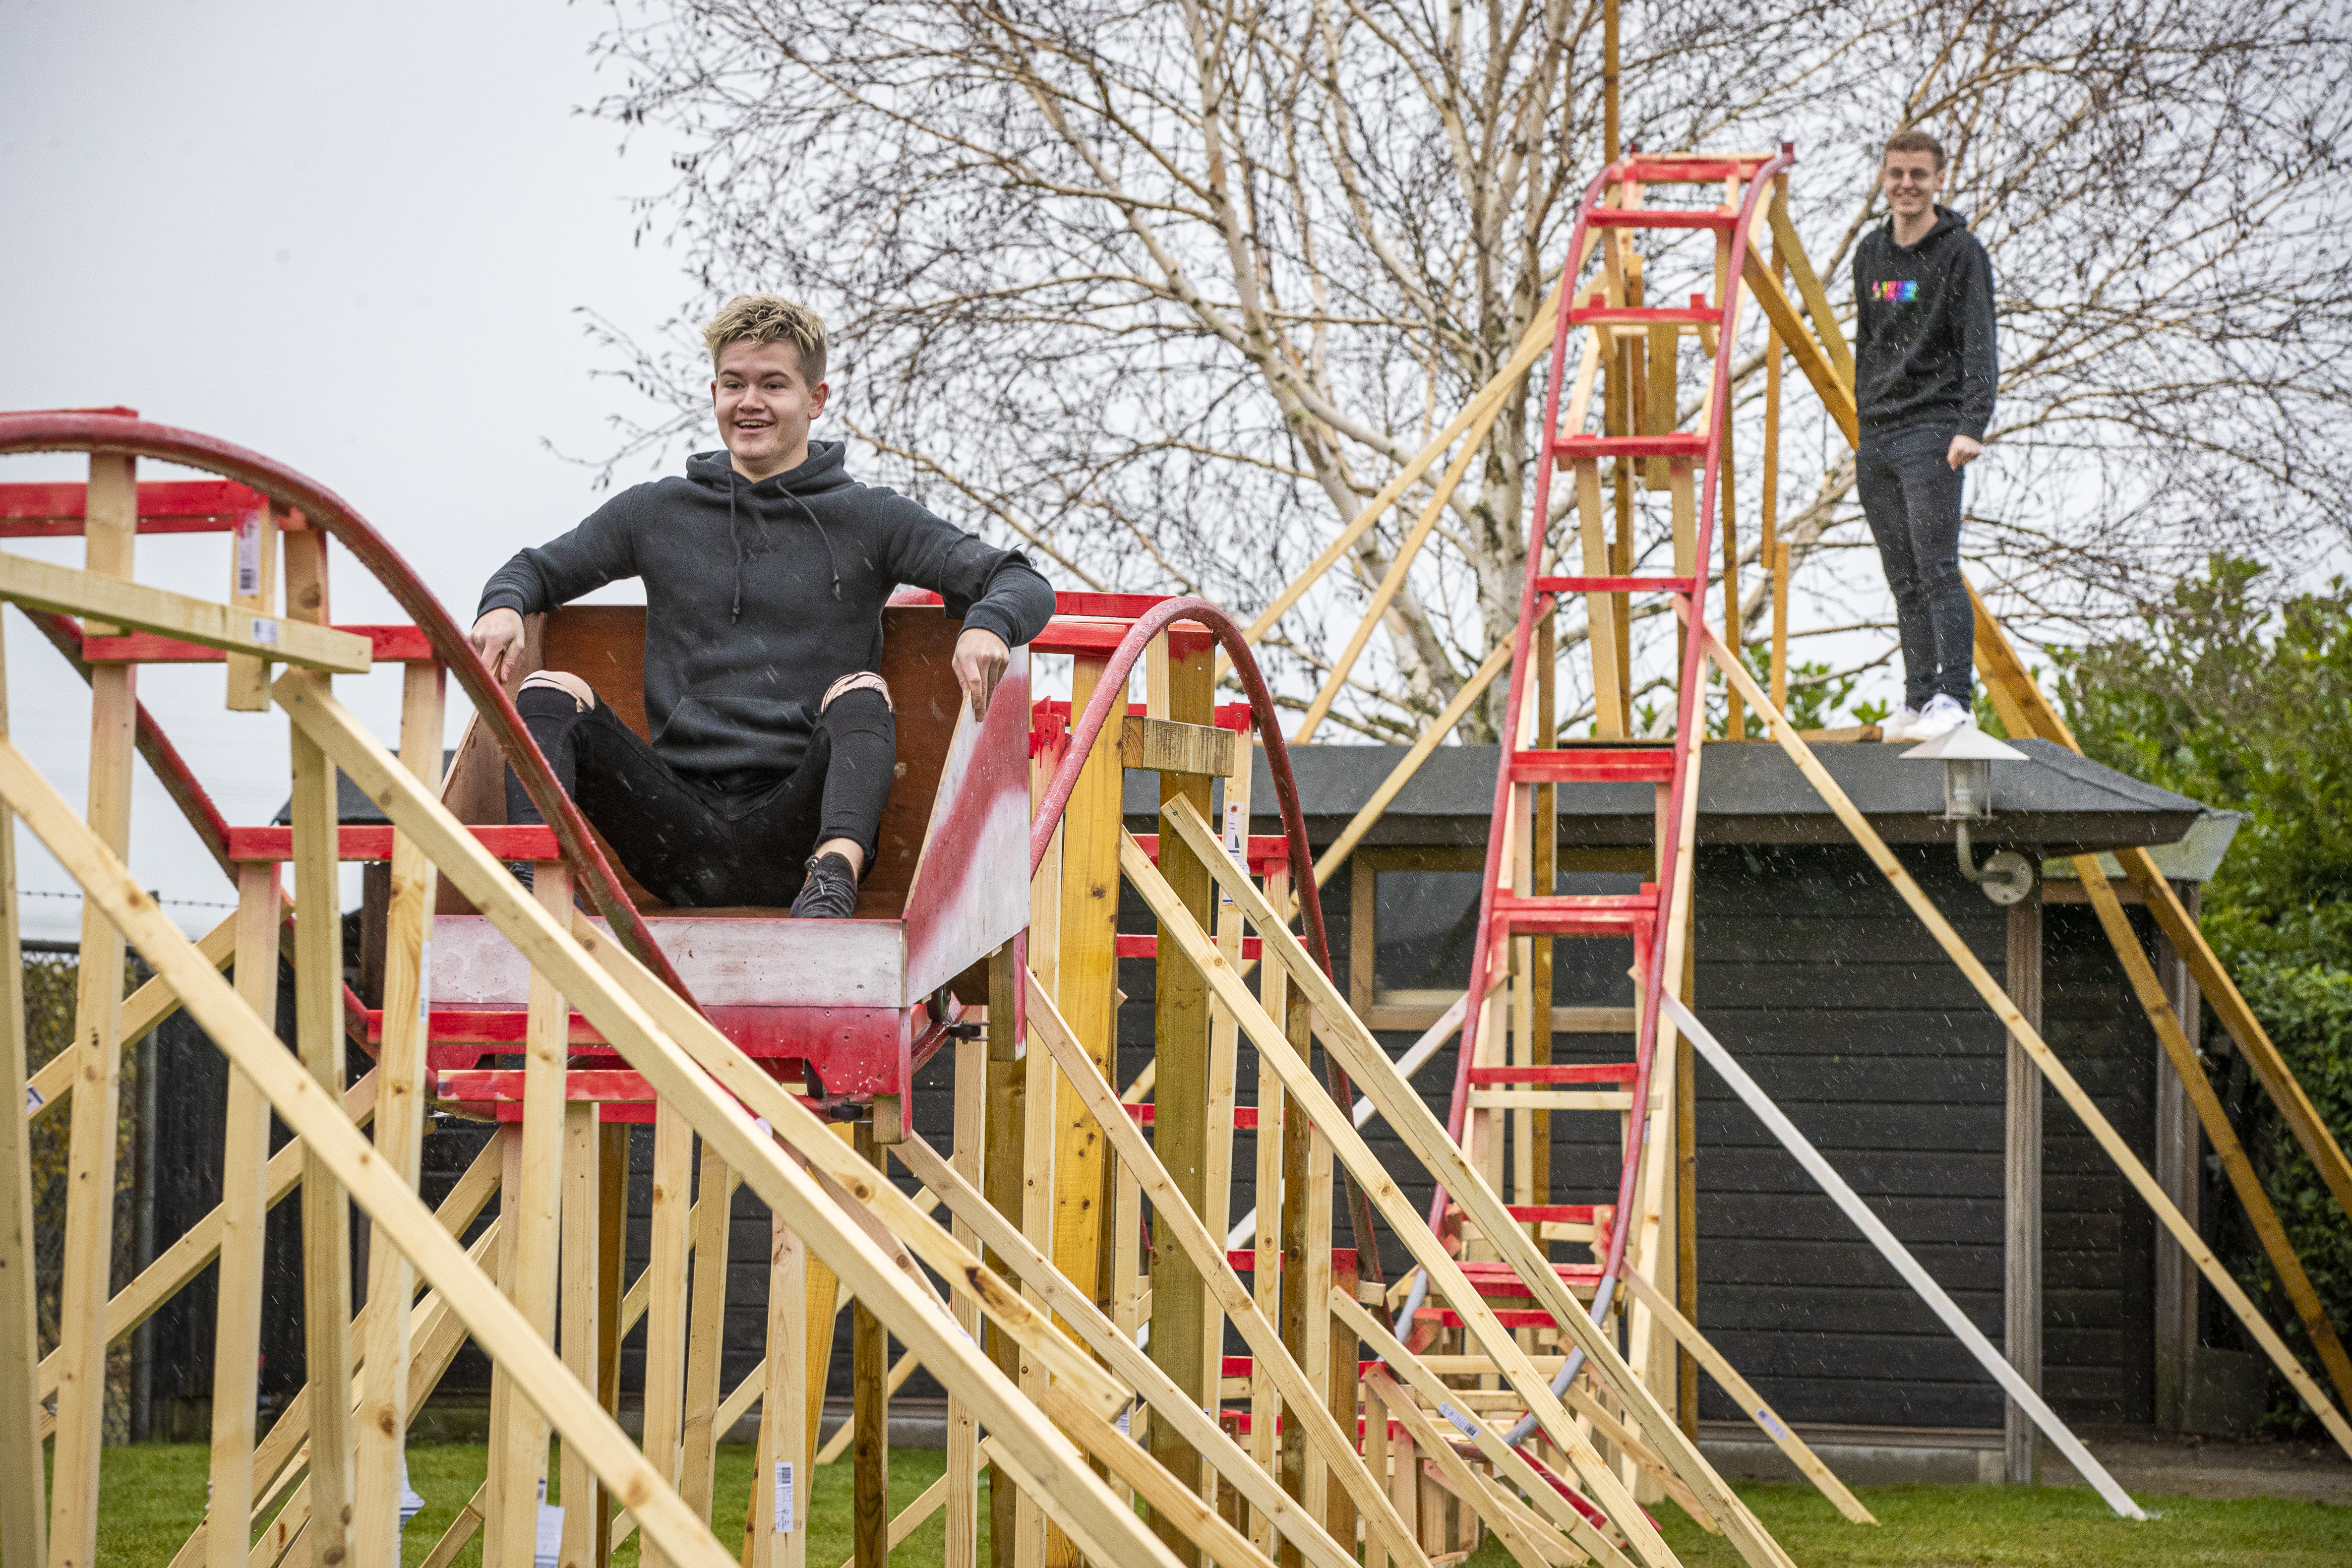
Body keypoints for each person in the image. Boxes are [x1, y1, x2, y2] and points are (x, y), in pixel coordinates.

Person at [467, 294, 1055, 917]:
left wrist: (987, 624)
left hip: (801, 838)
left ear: (816, 399)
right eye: (733, 384)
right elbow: (535, 569)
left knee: (861, 690)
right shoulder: (657, 513)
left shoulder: (870, 519)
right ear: (714, 392)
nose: (750, 403)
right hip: (674, 837)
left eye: (773, 385)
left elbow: (1020, 580)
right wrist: (504, 604)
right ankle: (533, 880)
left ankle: (833, 880)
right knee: (549, 690)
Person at [1853, 128, 1997, 742]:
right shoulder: (1870, 254)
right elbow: (1868, 342)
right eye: (1896, 174)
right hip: (1879, 433)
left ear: (1938, 178)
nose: (1906, 185)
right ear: (1884, 179)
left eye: (1918, 174)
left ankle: (1953, 697)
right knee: (1902, 574)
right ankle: (1916, 700)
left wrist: (1972, 425)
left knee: (1938, 568)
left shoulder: (1960, 251)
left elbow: (1979, 341)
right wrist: (1864, 417)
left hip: (1934, 429)